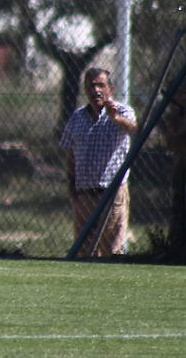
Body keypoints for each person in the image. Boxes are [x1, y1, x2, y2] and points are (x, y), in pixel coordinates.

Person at [59, 67, 138, 257]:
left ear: (110, 89)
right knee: (84, 250)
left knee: (112, 250)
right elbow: (70, 154)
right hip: (84, 193)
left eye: (101, 85)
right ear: (85, 89)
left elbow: (135, 129)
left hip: (112, 191)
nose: (96, 90)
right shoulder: (77, 117)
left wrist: (116, 118)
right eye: (91, 85)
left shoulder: (122, 111)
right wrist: (72, 187)